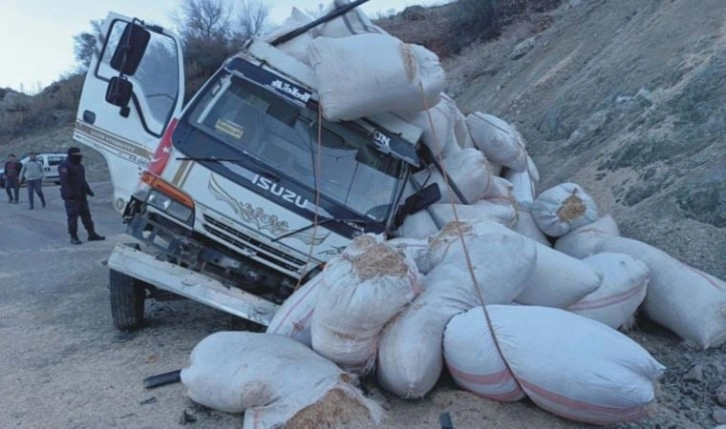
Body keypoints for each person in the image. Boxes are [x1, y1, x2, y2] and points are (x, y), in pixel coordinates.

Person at [58, 147, 105, 245]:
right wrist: (68, 195)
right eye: (77, 154)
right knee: (73, 218)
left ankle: (91, 234)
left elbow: (83, 180)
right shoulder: (65, 166)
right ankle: (73, 236)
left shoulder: (80, 166)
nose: (80, 155)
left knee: (87, 216)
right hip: (71, 198)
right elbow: (64, 182)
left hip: (81, 196)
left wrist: (88, 191)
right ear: (71, 154)